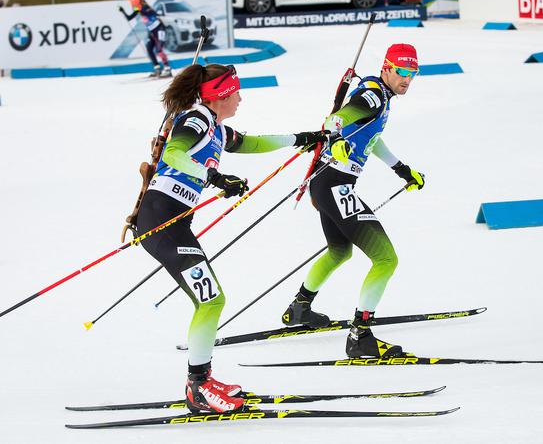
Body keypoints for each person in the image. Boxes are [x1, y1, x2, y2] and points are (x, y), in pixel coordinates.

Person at [137, 63, 327, 413]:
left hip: (172, 223)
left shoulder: (215, 127)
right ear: (220, 95)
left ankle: (202, 380)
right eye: (235, 92)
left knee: (210, 300)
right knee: (211, 300)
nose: (240, 97)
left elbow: (251, 143)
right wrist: (214, 177)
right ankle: (198, 387)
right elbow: (174, 154)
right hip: (160, 222)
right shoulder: (195, 121)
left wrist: (298, 139)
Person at [281, 43, 425, 359]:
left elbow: (370, 135)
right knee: (386, 259)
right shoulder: (373, 96)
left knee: (339, 251)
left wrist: (401, 169)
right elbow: (339, 120)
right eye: (401, 72)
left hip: (326, 183)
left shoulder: (381, 95)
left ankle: (300, 309)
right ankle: (361, 336)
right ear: (386, 67)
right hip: (335, 184)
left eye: (412, 74)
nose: (407, 80)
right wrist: (335, 141)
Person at [118, 0, 172, 78]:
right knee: (149, 48)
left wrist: (139, 9)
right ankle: (157, 68)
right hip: (152, 32)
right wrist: (123, 11)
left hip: (159, 29)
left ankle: (167, 69)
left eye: (134, 3)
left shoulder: (146, 7)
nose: (133, 5)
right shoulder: (138, 9)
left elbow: (148, 12)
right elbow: (129, 18)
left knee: (159, 50)